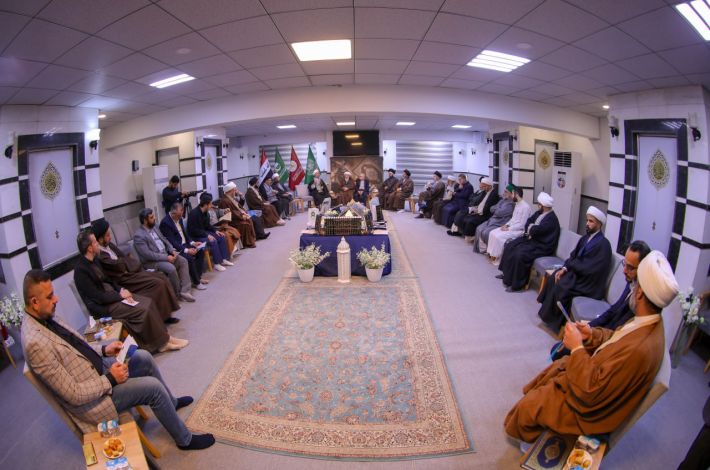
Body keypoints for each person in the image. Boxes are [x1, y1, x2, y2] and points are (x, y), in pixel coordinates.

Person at [21, 269, 215, 450]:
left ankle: (171, 403)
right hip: (95, 400)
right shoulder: (35, 344)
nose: (56, 299)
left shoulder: (47, 317)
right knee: (153, 388)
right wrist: (111, 379)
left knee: (143, 357)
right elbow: (73, 394)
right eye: (49, 296)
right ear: (34, 302)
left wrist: (104, 349)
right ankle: (185, 440)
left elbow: (79, 346)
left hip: (99, 372)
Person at [504, 250, 679, 444]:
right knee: (556, 369)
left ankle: (535, 438)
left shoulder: (641, 347)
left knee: (529, 407)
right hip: (594, 379)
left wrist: (577, 348)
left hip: (591, 412)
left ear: (640, 293)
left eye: (635, 284)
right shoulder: (648, 322)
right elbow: (615, 338)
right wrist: (591, 334)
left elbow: (592, 392)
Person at [73, 231, 186, 353]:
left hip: (113, 296)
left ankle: (165, 338)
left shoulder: (95, 260)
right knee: (142, 309)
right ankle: (160, 344)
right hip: (104, 307)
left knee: (148, 302)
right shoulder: (81, 271)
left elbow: (109, 280)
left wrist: (122, 289)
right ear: (89, 248)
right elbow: (98, 297)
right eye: (95, 242)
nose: (97, 245)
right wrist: (120, 296)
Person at [549, 240, 652, 360]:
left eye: (630, 267)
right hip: (603, 333)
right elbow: (613, 310)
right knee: (558, 349)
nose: (624, 270)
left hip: (609, 344)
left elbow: (618, 334)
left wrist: (588, 339)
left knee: (561, 354)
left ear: (643, 269)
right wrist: (589, 327)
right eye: (624, 264)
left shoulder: (641, 301)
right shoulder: (632, 282)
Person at [537, 206, 612, 333]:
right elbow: (573, 256)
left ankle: (557, 323)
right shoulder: (585, 238)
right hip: (578, 273)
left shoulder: (604, 245)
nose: (587, 224)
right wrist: (565, 268)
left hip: (589, 283)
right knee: (555, 275)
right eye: (587, 220)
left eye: (591, 221)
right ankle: (548, 315)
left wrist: (572, 266)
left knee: (562, 286)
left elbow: (593, 269)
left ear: (599, 224)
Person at [91, 219, 180, 323]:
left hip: (129, 271)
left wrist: (124, 261)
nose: (110, 237)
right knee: (157, 283)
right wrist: (124, 262)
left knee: (161, 277)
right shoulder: (100, 254)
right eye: (107, 235)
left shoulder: (109, 245)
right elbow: (118, 266)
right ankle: (161, 317)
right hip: (123, 279)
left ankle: (166, 314)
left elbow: (123, 258)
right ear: (100, 239)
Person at [497, 192, 560, 292]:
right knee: (510, 245)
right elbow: (528, 222)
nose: (538, 205)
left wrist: (531, 227)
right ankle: (506, 275)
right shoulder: (539, 213)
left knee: (520, 254)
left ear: (542, 205)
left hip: (542, 246)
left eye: (539, 204)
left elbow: (537, 230)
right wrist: (531, 227)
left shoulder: (551, 219)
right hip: (533, 240)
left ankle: (518, 285)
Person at [133, 208, 196, 303]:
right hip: (153, 261)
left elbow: (165, 239)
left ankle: (185, 291)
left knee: (183, 261)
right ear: (145, 220)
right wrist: (166, 257)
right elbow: (148, 255)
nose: (154, 218)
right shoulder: (139, 235)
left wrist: (172, 250)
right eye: (151, 217)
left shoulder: (155, 227)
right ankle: (177, 294)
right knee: (171, 268)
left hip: (165, 254)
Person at [159, 202, 207, 289]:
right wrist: (187, 250)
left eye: (182, 212)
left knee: (200, 251)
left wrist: (192, 243)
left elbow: (185, 234)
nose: (181, 215)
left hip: (185, 244)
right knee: (189, 258)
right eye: (179, 213)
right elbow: (172, 242)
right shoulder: (165, 223)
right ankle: (196, 282)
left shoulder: (179, 218)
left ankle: (198, 277)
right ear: (173, 213)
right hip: (176, 249)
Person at [187, 192, 232, 272]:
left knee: (221, 237)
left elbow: (207, 226)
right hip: (195, 236)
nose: (211, 206)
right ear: (205, 205)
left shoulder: (206, 213)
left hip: (204, 233)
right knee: (213, 240)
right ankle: (217, 263)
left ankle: (224, 259)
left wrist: (215, 231)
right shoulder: (193, 214)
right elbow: (193, 230)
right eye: (210, 204)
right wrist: (207, 235)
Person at [486, 187, 532, 261]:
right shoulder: (517, 204)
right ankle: (491, 254)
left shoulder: (526, 207)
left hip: (519, 230)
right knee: (492, 233)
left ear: (517, 194)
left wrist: (508, 228)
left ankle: (496, 257)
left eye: (512, 194)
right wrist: (506, 225)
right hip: (510, 227)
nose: (511, 196)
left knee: (498, 236)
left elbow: (522, 225)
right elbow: (513, 219)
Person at [473, 184, 515, 252]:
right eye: (504, 191)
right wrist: (497, 209)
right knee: (479, 228)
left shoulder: (511, 204)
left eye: (506, 192)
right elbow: (491, 208)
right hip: (493, 219)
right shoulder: (503, 200)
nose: (504, 193)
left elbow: (499, 213)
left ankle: (489, 250)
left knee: (486, 232)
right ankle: (480, 249)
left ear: (511, 193)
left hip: (500, 222)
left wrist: (496, 209)